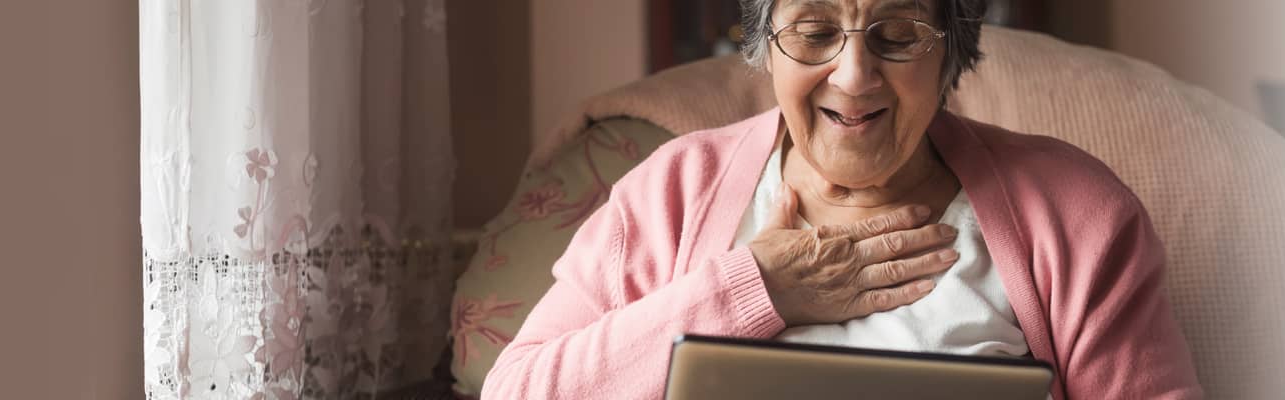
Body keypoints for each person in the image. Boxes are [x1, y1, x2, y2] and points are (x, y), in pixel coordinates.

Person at [482, 0, 1203, 398]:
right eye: (816, 32)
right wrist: (750, 292)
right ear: (767, 45)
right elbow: (516, 392)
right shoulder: (673, 191)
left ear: (951, 47)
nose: (853, 76)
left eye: (897, 35)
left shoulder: (1076, 215)